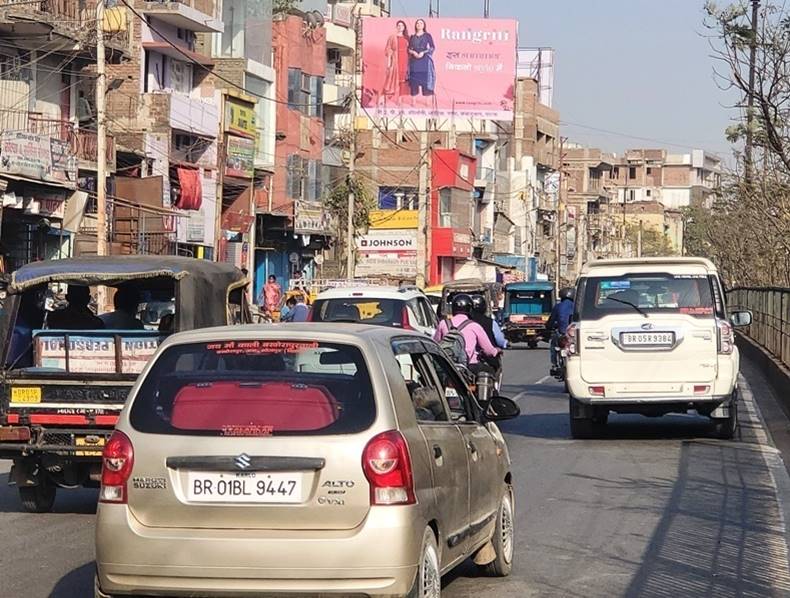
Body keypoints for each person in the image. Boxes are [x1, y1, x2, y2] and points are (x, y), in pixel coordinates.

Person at [434, 293, 500, 376]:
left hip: (447, 365)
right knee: (491, 372)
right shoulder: (474, 326)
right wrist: (496, 350)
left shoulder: (443, 323)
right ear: (470, 309)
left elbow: (435, 344)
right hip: (469, 365)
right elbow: (488, 350)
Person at [547, 287, 575, 374]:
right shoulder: (576, 306)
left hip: (561, 333)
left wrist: (548, 327)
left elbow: (551, 320)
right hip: (572, 334)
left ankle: (554, 365)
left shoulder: (558, 306)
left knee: (553, 346)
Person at [407, 19, 436, 105]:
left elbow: (432, 47)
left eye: (421, 23)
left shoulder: (427, 36)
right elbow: (409, 48)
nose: (419, 24)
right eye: (417, 23)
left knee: (425, 81)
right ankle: (413, 102)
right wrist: (413, 52)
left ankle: (427, 102)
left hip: (424, 61)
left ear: (424, 25)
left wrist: (423, 52)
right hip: (414, 62)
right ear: (415, 25)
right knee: (414, 82)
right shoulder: (412, 37)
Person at [382, 20, 410, 106]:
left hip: (405, 60)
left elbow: (410, 49)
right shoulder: (392, 37)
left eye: (402, 25)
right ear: (396, 27)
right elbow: (387, 49)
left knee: (403, 81)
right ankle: (386, 98)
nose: (400, 27)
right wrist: (390, 60)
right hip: (395, 60)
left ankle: (400, 100)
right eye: (398, 25)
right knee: (392, 79)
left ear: (404, 27)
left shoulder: (407, 38)